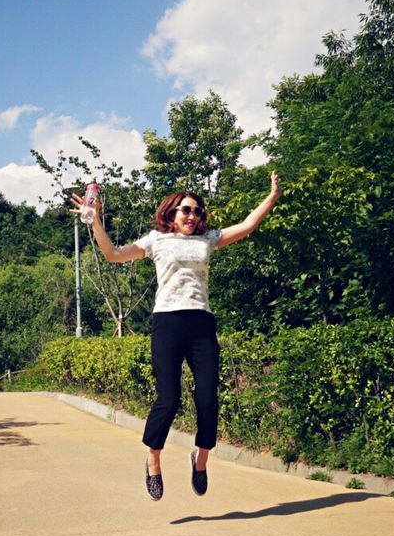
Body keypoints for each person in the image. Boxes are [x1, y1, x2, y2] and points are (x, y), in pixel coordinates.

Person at [71, 172, 281, 500]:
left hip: (201, 324)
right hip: (167, 323)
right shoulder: (156, 240)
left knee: (208, 398)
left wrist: (271, 196)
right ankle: (153, 459)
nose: (193, 216)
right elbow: (112, 254)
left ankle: (201, 459)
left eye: (197, 211)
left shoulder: (207, 239)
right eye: (186, 210)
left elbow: (248, 225)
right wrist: (96, 221)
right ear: (171, 212)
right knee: (168, 400)